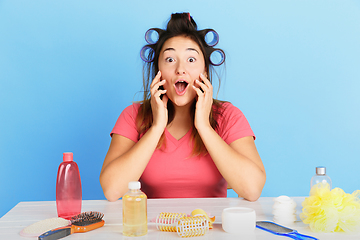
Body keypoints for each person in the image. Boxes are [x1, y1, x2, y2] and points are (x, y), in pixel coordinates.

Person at [100, 12, 266, 202]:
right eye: (170, 60)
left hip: (212, 228)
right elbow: (112, 190)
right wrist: (156, 128)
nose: (180, 69)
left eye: (191, 59)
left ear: (204, 70)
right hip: (153, 229)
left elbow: (252, 189)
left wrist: (204, 126)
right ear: (158, 71)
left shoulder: (228, 116)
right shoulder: (133, 116)